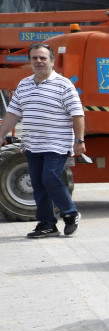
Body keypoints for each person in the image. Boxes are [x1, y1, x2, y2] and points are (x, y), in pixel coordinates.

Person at [0, 43, 86, 238]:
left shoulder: (64, 85)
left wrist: (79, 140)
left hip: (57, 143)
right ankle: (47, 224)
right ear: (30, 61)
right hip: (32, 144)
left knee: (50, 178)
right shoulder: (24, 85)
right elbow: (13, 113)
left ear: (52, 61)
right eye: (34, 58)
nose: (38, 61)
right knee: (38, 184)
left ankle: (71, 214)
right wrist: (1, 134)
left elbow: (77, 114)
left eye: (43, 58)